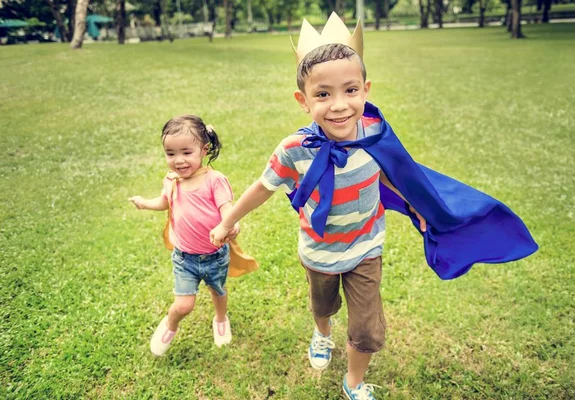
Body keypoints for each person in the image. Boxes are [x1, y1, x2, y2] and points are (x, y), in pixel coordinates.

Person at [212, 13, 536, 400]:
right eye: (323, 94)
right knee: (324, 305)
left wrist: (418, 206)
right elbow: (261, 189)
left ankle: (352, 381)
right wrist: (227, 220)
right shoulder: (294, 149)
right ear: (303, 100)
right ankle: (322, 333)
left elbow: (393, 174)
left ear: (366, 89)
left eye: (350, 90)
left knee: (367, 327)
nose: (338, 106)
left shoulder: (374, 136)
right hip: (318, 251)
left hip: (366, 246)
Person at [129, 115, 239, 356]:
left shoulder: (214, 181)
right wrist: (145, 204)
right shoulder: (172, 180)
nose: (178, 160)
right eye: (170, 153)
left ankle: (220, 319)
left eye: (186, 152)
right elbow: (164, 202)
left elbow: (227, 209)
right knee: (184, 304)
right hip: (185, 258)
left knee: (218, 290)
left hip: (215, 255)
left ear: (204, 149)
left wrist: (231, 224)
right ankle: (170, 324)